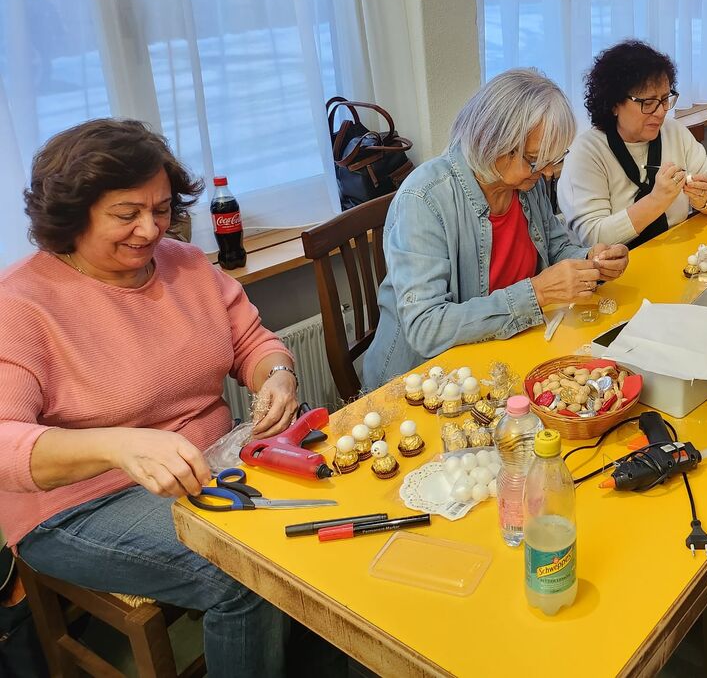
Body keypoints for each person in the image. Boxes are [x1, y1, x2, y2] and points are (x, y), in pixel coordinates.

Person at [0, 119, 299, 677]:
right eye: (126, 214)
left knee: (326, 515)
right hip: (79, 505)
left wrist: (278, 374)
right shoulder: (20, 303)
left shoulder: (186, 264)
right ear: (72, 214)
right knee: (245, 573)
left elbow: (252, 342)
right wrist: (118, 446)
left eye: (161, 210)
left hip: (208, 465)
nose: (150, 229)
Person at [363, 68, 630, 389]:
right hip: (426, 384)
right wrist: (537, 293)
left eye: (555, 158)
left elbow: (556, 248)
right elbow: (426, 328)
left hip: (503, 357)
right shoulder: (425, 199)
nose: (548, 172)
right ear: (493, 142)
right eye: (535, 159)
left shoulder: (526, 184)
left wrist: (591, 261)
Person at [558, 40, 707, 247]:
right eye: (648, 103)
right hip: (617, 263)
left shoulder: (674, 132)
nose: (661, 112)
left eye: (664, 99)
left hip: (674, 252)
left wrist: (705, 199)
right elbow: (592, 237)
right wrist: (656, 201)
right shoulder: (587, 153)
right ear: (614, 104)